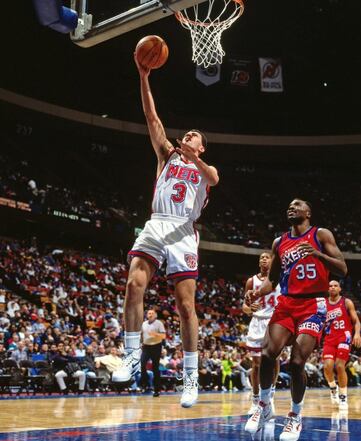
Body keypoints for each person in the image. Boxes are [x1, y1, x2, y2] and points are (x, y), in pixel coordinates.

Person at [111, 53, 219, 409]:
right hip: (157, 222)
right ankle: (130, 356)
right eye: (187, 133)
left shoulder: (205, 168)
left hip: (184, 232)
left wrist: (195, 157)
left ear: (201, 147)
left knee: (186, 307)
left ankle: (190, 377)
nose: (188, 136)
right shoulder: (167, 155)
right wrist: (144, 77)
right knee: (133, 285)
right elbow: (152, 117)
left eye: (195, 136)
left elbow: (213, 178)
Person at [245, 198, 347, 441]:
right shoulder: (279, 242)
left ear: (308, 212)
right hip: (288, 303)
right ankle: (264, 404)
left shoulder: (320, 235)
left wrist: (318, 255)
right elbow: (273, 279)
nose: (291, 207)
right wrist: (257, 292)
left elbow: (343, 268)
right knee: (268, 353)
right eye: (289, 205)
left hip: (314, 304)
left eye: (297, 205)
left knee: (297, 362)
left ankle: (295, 416)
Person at [242, 252, 281, 415]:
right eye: (261, 257)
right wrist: (249, 309)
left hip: (274, 322)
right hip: (257, 322)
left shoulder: (279, 278)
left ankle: (270, 393)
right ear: (259, 262)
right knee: (256, 364)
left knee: (273, 361)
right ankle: (256, 399)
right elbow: (244, 307)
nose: (264, 259)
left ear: (272, 261)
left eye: (267, 257)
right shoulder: (252, 281)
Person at [322, 280, 361, 410]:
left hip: (344, 336)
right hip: (329, 338)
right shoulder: (323, 304)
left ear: (340, 289)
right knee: (327, 366)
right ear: (328, 289)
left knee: (340, 366)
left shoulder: (346, 302)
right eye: (330, 286)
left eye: (335, 285)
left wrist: (357, 334)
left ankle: (343, 397)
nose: (332, 287)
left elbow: (356, 321)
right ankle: (333, 387)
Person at [140, 309, 166, 397]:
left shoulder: (159, 323)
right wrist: (141, 343)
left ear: (155, 315)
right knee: (142, 365)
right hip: (146, 347)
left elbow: (163, 336)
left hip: (156, 346)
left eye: (152, 313)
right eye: (149, 313)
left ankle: (157, 389)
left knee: (155, 368)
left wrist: (155, 334)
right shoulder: (144, 323)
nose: (150, 314)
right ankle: (146, 385)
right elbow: (142, 335)